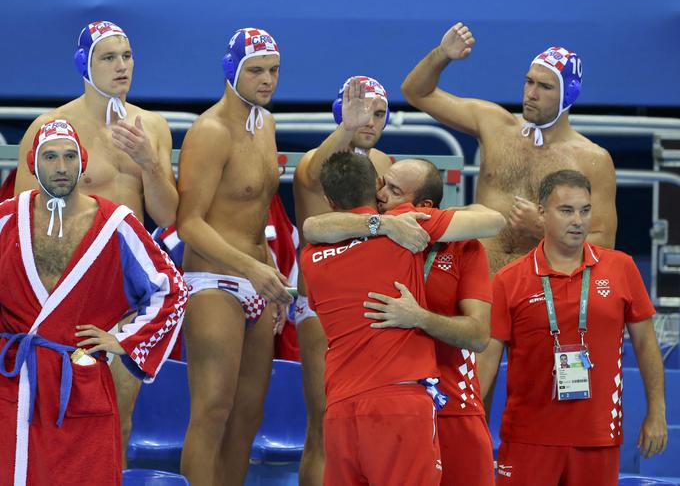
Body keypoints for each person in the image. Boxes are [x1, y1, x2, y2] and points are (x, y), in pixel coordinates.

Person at [13, 20, 178, 464]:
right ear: (84, 63)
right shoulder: (52, 128)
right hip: (61, 297)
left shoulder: (154, 126)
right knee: (40, 420)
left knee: (115, 422)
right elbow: (18, 230)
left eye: (127, 56)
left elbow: (167, 216)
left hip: (120, 299)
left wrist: (149, 163)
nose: (122, 66)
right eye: (109, 57)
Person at [300, 151, 505, 486]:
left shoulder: (455, 244)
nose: (382, 195)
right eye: (383, 184)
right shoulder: (385, 228)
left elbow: (479, 336)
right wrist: (383, 223)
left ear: (423, 206)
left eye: (394, 190)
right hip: (398, 401)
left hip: (452, 408)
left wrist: (419, 317)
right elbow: (312, 225)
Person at [0, 119, 186, 486]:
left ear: (82, 162)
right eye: (50, 157)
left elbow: (172, 288)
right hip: (13, 381)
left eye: (69, 156)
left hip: (80, 374)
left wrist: (125, 340)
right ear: (33, 163)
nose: (61, 167)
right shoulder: (6, 219)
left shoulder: (116, 224)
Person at [478, 170, 667, 485]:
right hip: (528, 439)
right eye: (566, 210)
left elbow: (647, 343)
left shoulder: (622, 268)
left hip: (598, 438)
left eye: (585, 210)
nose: (578, 220)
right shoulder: (509, 280)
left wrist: (657, 411)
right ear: (542, 213)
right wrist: (473, 425)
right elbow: (487, 362)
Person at [401, 23, 617, 274]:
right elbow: (416, 93)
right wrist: (442, 54)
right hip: (477, 283)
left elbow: (605, 245)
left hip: (538, 286)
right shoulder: (495, 124)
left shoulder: (593, 159)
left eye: (545, 87)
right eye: (529, 82)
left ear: (569, 94)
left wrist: (543, 228)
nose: (531, 94)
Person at [177, 27, 292, 486]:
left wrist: (273, 275)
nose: (268, 80)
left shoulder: (266, 123)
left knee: (248, 415)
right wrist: (251, 269)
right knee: (213, 410)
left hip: (260, 281)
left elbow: (255, 215)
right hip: (213, 283)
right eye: (257, 70)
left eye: (274, 70)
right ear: (232, 72)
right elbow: (189, 224)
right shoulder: (210, 131)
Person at [292, 75, 406, 485]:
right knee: (324, 428)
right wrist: (346, 129)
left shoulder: (384, 166)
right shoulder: (315, 160)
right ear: (341, 112)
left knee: (367, 432)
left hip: (371, 308)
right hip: (322, 307)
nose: (370, 121)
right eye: (360, 112)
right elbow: (310, 179)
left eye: (378, 113)